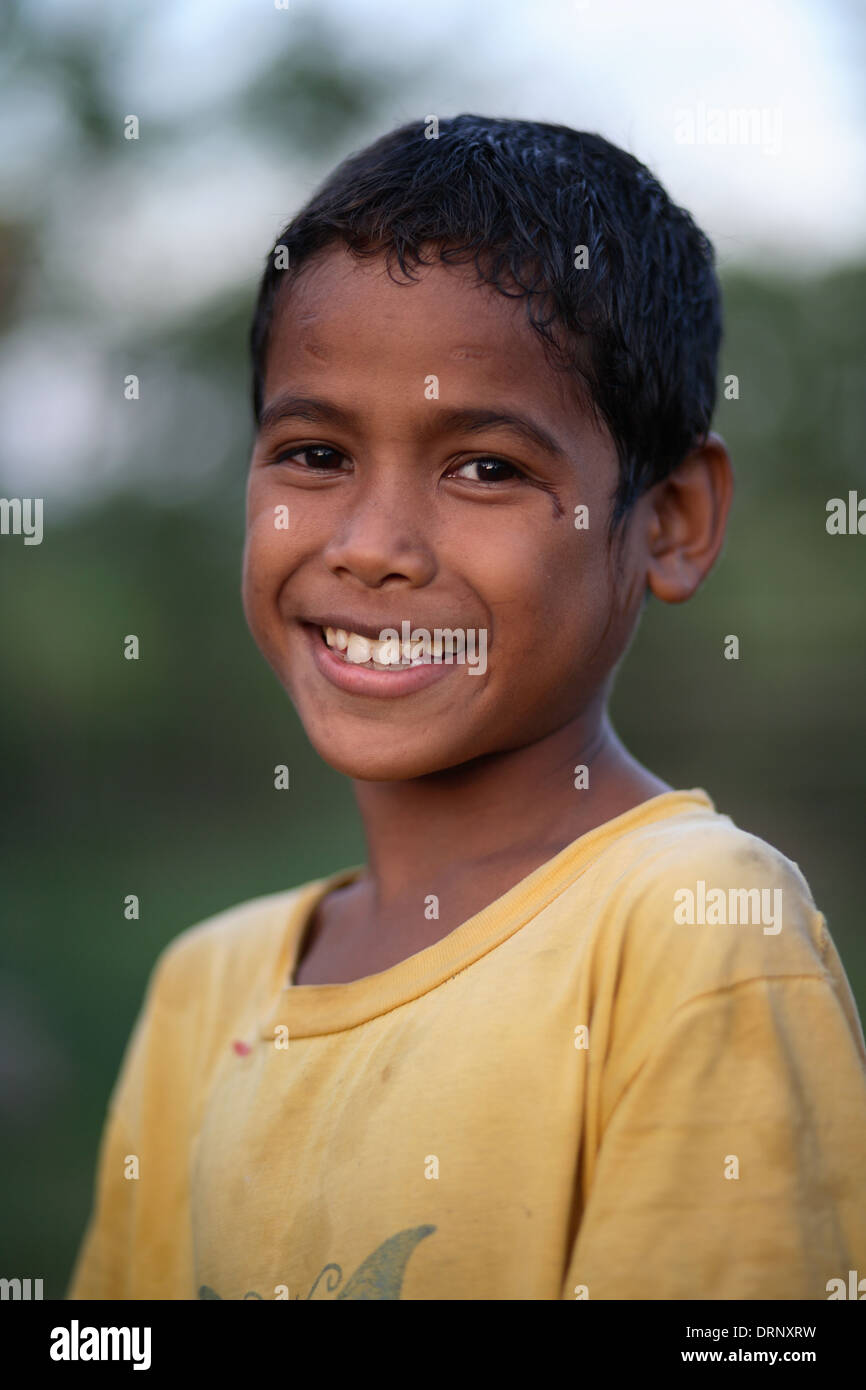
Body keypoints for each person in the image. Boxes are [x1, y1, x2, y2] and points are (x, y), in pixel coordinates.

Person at [68, 115, 866, 1301]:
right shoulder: (206, 984)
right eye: (314, 454)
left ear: (669, 518)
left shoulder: (691, 930)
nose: (372, 546)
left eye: (485, 467)